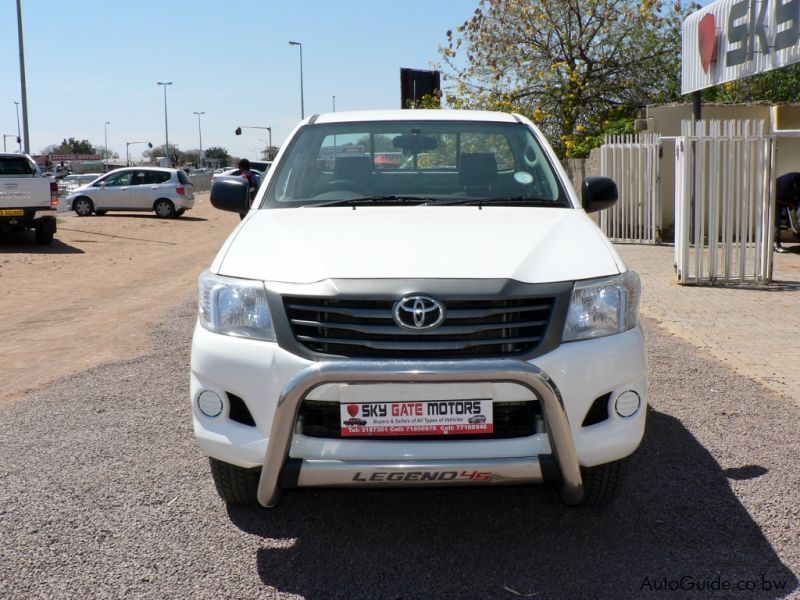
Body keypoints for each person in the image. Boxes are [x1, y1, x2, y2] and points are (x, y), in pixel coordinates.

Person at [775, 172, 800, 253]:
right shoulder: (788, 181)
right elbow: (776, 198)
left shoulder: (796, 182)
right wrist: (791, 204)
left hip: (789, 199)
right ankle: (777, 244)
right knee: (776, 221)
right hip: (775, 198)